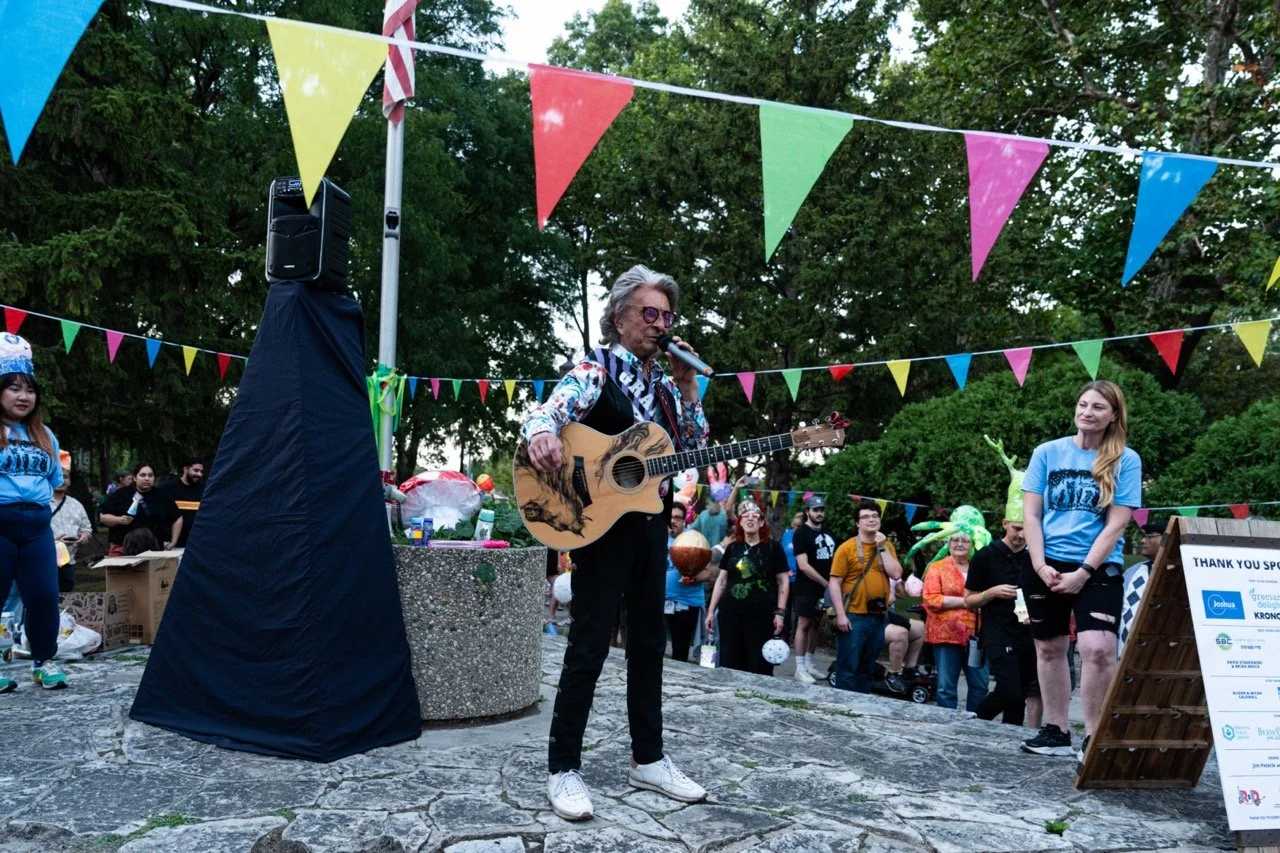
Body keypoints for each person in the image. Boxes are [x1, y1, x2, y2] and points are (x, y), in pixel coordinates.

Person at [521, 265, 709, 821]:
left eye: (667, 316)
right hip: (596, 523)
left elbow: (697, 448)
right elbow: (552, 407)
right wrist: (541, 431)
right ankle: (564, 768)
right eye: (649, 314)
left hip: (650, 523)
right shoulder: (595, 370)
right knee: (589, 644)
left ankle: (648, 757)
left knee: (651, 642)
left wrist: (690, 387)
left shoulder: (669, 390)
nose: (661, 325)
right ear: (620, 318)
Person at [1020, 380, 1141, 764]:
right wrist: (1040, 565)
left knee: (1098, 649)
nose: (1087, 412)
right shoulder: (1047, 452)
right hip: (1046, 562)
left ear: (1113, 416)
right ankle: (1055, 731)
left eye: (1098, 407)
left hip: (1097, 565)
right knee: (1049, 647)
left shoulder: (1126, 459)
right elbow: (1031, 514)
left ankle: (1093, 736)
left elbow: (1117, 524)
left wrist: (1085, 571)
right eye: (1083, 404)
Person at [0, 334, 68, 691]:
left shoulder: (45, 435)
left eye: (29, 389)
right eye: (13, 388)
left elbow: (55, 480)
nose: (23, 396)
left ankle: (44, 660)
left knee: (43, 595)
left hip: (38, 528)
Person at [705, 501, 789, 675]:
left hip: (761, 616)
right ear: (740, 523)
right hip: (730, 614)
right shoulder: (733, 548)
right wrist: (711, 611)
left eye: (755, 516)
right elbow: (721, 581)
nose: (750, 518)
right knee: (730, 662)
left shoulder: (773, 548)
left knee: (758, 663)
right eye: (745, 516)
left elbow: (783, 581)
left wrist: (780, 613)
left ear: (761, 522)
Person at [827, 500, 903, 693]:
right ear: (857, 523)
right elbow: (834, 583)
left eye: (875, 516)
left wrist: (882, 547)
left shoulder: (887, 546)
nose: (871, 520)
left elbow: (896, 574)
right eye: (866, 517)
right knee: (847, 669)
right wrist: (841, 615)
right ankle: (842, 710)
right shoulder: (846, 548)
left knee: (867, 669)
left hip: (878, 616)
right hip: (853, 616)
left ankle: (861, 709)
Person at [965, 519, 1035, 725]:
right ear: (1004, 524)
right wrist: (991, 593)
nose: (1021, 536)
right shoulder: (985, 556)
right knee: (1008, 690)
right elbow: (968, 600)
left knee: (1019, 696)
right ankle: (975, 722)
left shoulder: (1033, 557)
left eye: (1027, 530)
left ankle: (1011, 738)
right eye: (1017, 529)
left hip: (1027, 631)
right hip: (998, 631)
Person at [923, 532, 989, 711]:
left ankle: (975, 724)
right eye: (955, 540)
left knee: (980, 685)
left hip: (978, 636)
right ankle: (947, 724)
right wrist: (969, 602)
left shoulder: (980, 568)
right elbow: (932, 599)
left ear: (972, 545)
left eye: (965, 540)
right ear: (949, 544)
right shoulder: (937, 568)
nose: (960, 543)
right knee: (946, 687)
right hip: (946, 635)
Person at [789, 496, 835, 684]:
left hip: (825, 587)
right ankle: (799, 667)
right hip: (806, 587)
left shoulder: (829, 532)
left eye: (821, 510)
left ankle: (809, 663)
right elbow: (803, 565)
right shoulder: (801, 533)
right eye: (815, 510)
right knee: (803, 624)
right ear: (807, 511)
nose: (819, 513)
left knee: (816, 624)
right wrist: (826, 583)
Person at [99, 463, 183, 556]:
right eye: (143, 475)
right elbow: (103, 517)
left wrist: (173, 542)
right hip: (122, 547)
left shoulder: (162, 496)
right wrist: (119, 520)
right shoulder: (121, 494)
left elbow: (178, 518)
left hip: (154, 550)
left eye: (150, 475)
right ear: (135, 478)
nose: (147, 478)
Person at [666, 502, 711, 663]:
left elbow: (707, 572)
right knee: (652, 645)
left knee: (681, 649)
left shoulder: (694, 539)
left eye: (677, 518)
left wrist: (692, 578)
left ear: (684, 520)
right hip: (660, 600)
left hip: (686, 602)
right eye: (670, 517)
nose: (673, 521)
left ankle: (676, 684)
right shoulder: (658, 537)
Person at [883, 574, 925, 693]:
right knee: (900, 633)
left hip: (889, 613)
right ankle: (894, 673)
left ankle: (909, 669)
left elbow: (901, 593)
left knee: (920, 628)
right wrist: (886, 596)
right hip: (873, 615)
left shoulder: (890, 569)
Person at [158, 455, 204, 548]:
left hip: (197, 544)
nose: (199, 474)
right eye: (196, 470)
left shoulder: (205, 489)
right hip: (171, 544)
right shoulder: (166, 489)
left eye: (201, 471)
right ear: (186, 469)